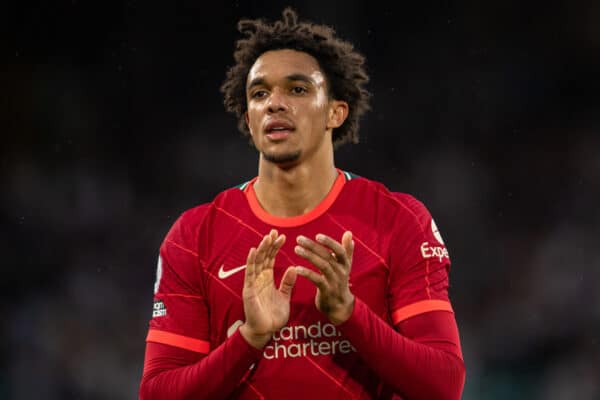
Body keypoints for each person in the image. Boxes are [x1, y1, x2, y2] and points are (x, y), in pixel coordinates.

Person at [139, 8, 465, 400]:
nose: (274, 103)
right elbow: (158, 394)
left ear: (335, 112)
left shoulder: (397, 220)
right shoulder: (194, 235)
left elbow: (444, 384)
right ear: (248, 117)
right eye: (260, 93)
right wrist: (250, 339)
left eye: (297, 89)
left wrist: (348, 312)